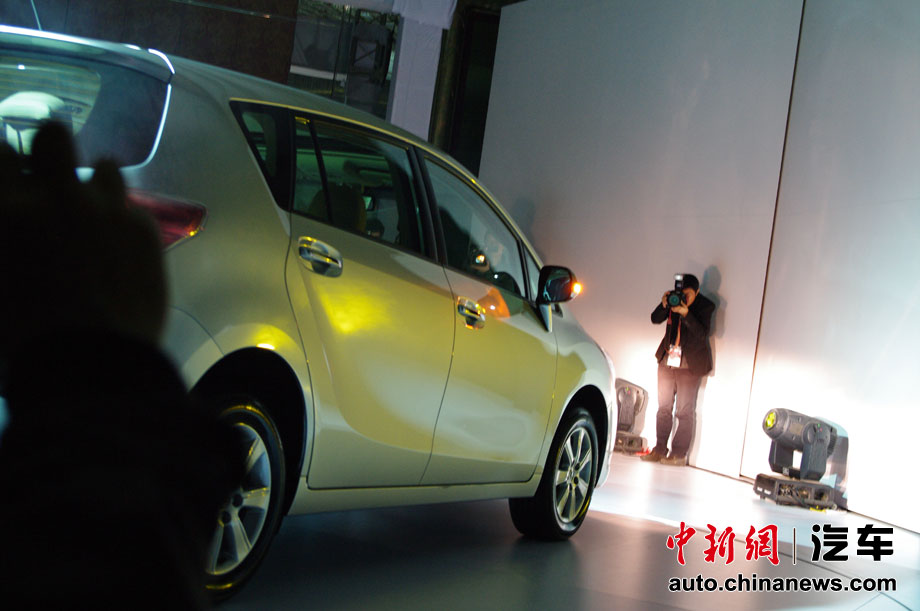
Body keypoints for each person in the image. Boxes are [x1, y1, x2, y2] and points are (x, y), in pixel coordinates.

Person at [641, 273, 714, 466]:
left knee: (684, 411)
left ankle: (679, 454)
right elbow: (655, 319)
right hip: (667, 360)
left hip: (689, 365)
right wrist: (664, 304)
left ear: (697, 292)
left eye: (688, 294)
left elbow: (702, 333)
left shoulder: (705, 306)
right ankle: (659, 449)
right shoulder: (673, 301)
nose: (684, 297)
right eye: (682, 293)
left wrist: (686, 313)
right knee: (663, 408)